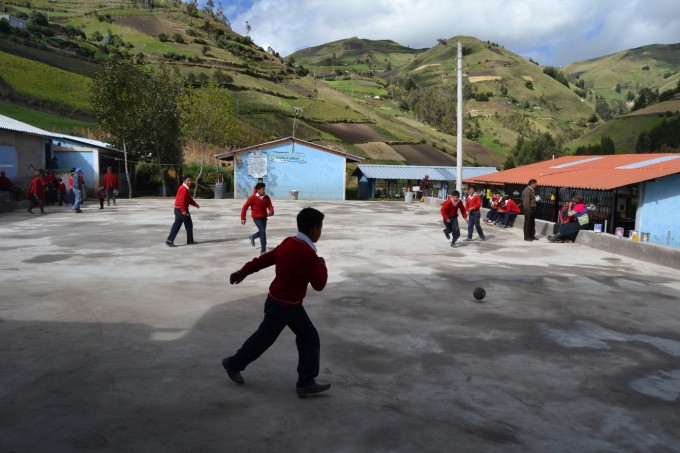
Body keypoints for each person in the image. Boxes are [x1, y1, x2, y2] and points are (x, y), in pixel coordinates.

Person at [223, 207, 330, 398]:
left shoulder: (289, 242)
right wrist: (321, 264)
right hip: (282, 307)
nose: (321, 231)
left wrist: (243, 272)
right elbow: (319, 284)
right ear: (314, 229)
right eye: (320, 227)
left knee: (309, 338)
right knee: (262, 341)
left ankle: (306, 382)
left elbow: (265, 259)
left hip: (289, 304)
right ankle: (232, 364)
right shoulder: (307, 253)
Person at [165, 175, 200, 247]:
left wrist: (195, 204)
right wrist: (183, 211)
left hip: (178, 210)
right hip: (181, 210)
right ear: (184, 181)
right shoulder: (183, 189)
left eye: (190, 180)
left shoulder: (184, 188)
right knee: (189, 225)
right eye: (188, 180)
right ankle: (190, 241)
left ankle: (169, 240)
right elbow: (181, 201)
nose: (190, 182)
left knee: (176, 225)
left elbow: (189, 199)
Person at [241, 182, 274, 255]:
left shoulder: (266, 197)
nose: (264, 190)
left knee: (262, 232)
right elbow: (244, 207)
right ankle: (263, 250)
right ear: (258, 190)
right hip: (256, 218)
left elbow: (270, 206)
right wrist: (243, 218)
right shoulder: (252, 198)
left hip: (264, 217)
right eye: (263, 189)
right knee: (262, 231)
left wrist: (271, 211)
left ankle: (252, 237)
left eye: (264, 189)